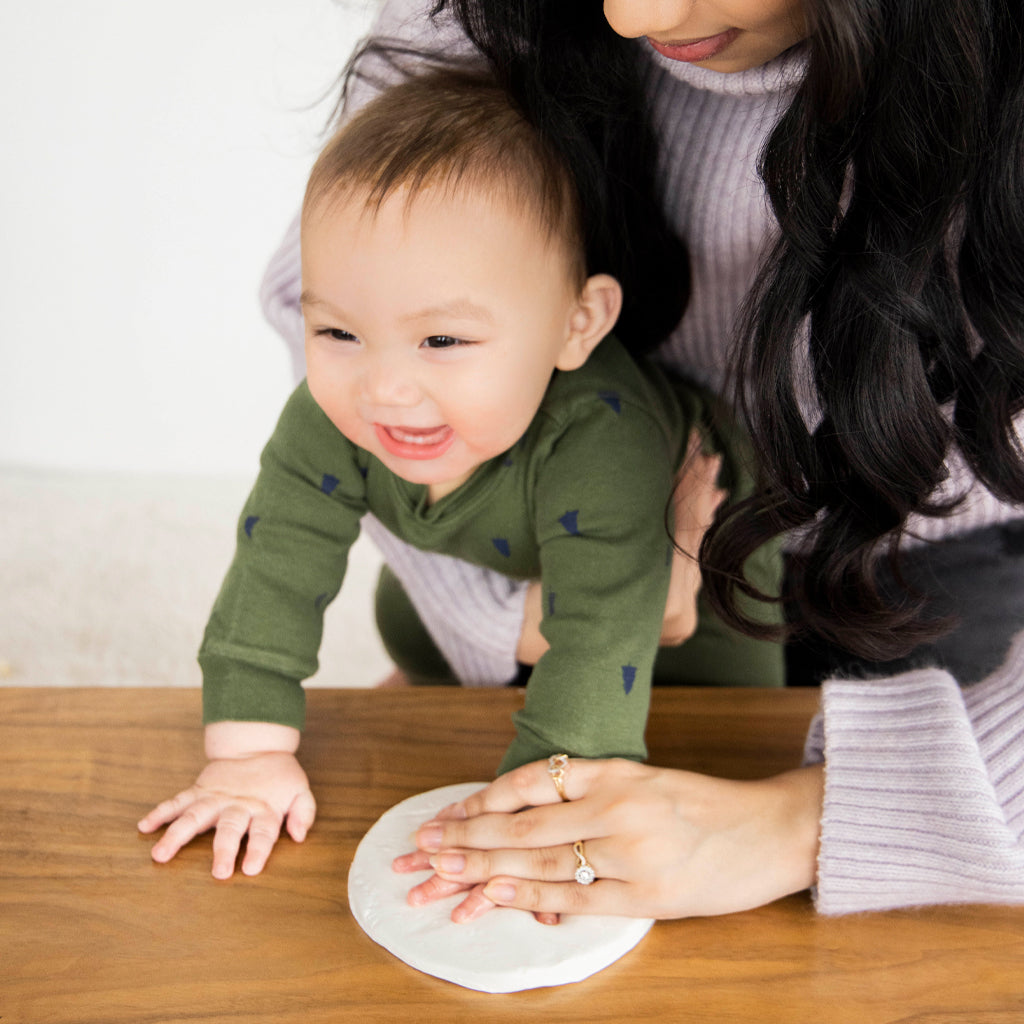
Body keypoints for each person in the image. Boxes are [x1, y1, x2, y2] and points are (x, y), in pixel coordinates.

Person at [254, 0, 1024, 918]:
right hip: (584, 538)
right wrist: (506, 624)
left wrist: (796, 824)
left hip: (919, 573)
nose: (632, 15)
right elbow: (339, 307)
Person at [138, 66, 783, 879]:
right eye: (338, 332)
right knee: (408, 619)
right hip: (511, 538)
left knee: (718, 722)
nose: (386, 389)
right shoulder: (330, 415)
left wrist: (535, 817)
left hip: (700, 544)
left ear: (576, 326)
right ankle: (448, 680)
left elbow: (595, 645)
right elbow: (274, 571)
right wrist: (246, 756)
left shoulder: (602, 444)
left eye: (442, 341)